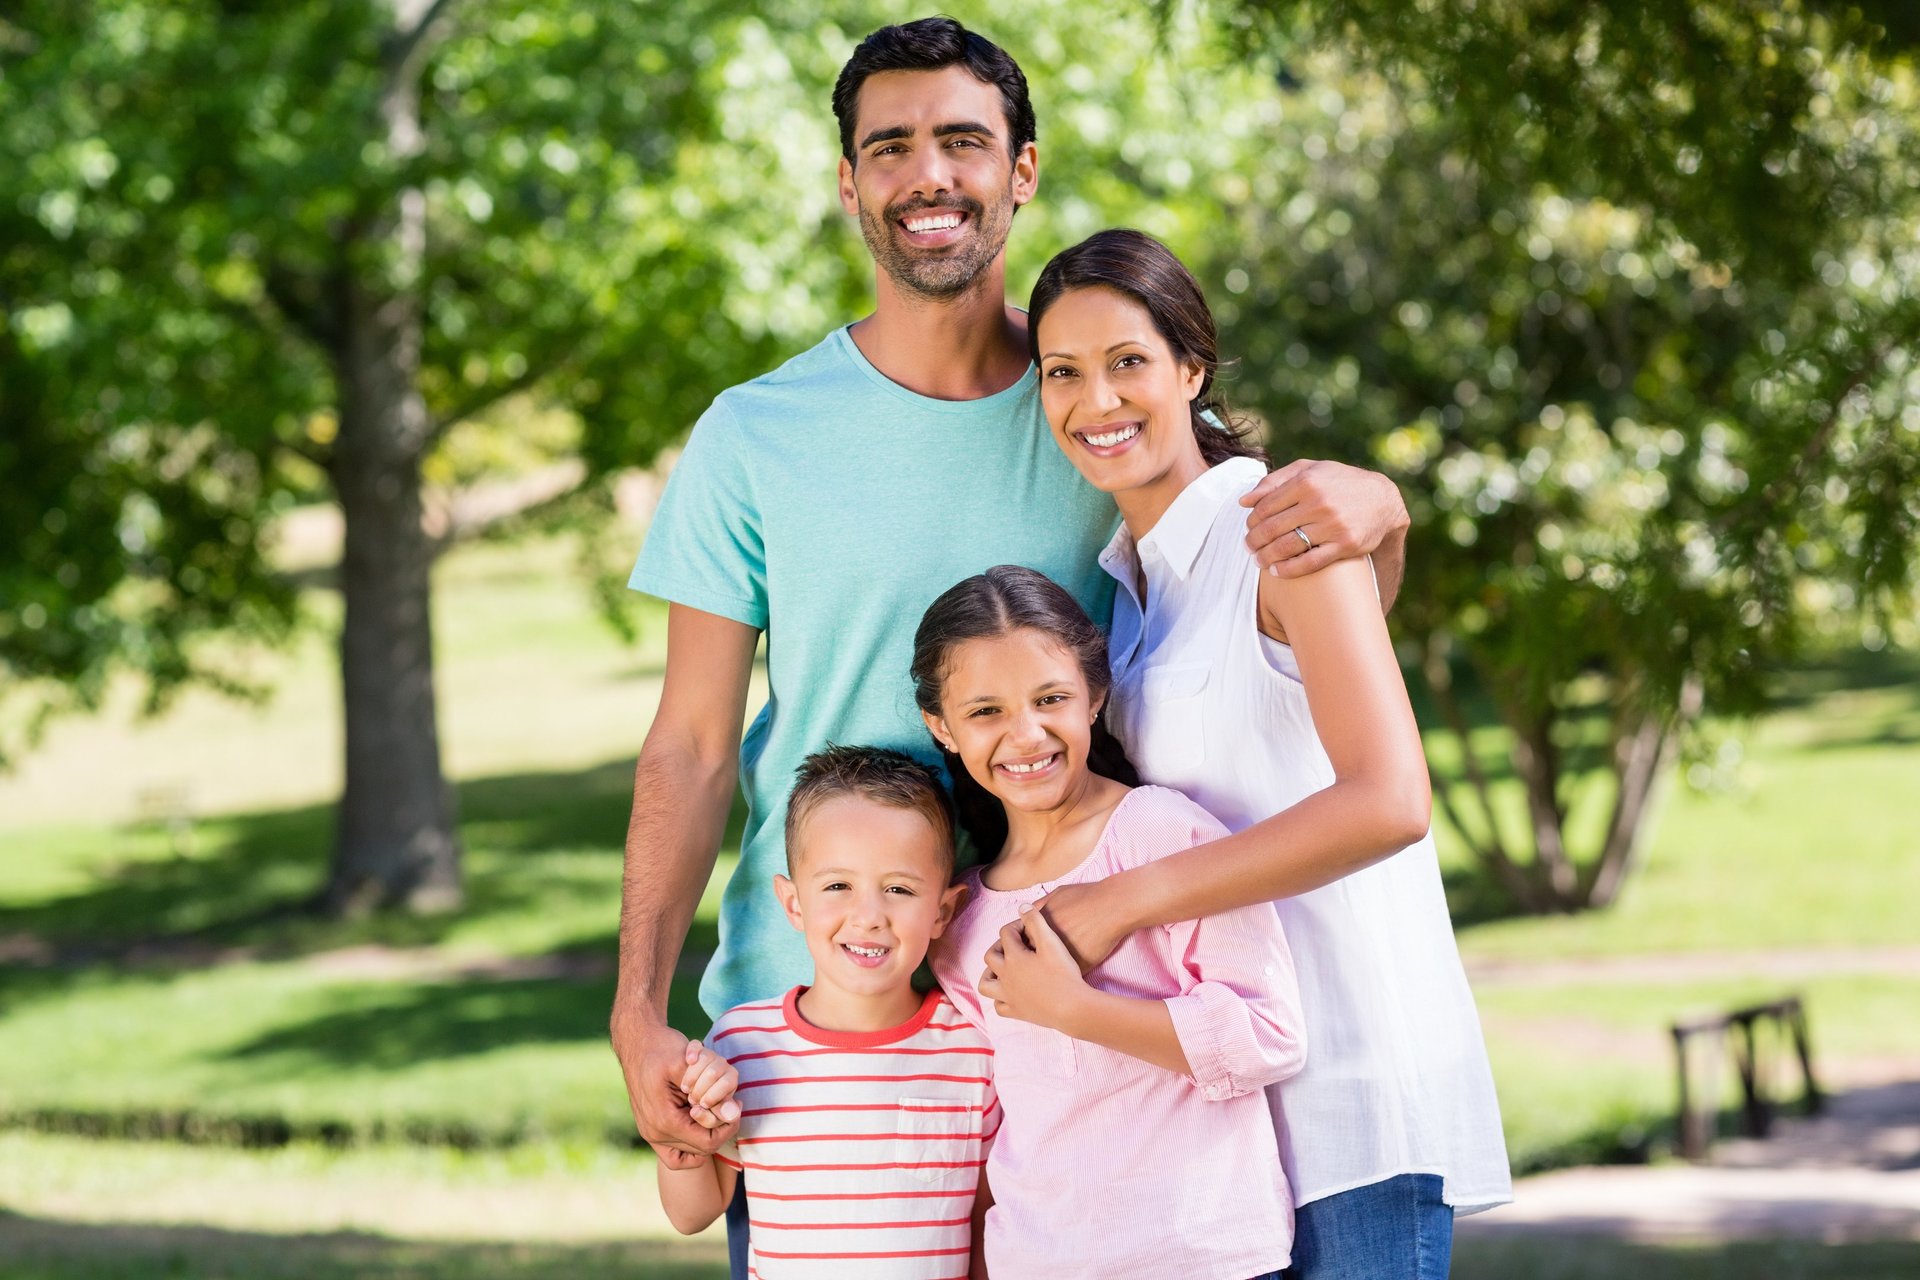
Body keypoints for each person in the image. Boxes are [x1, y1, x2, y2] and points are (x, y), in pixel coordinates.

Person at [609, 17, 1410, 1266]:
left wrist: (1381, 510)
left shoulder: (1096, 407)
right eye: (891, 147)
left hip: (1071, 1012)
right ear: (849, 181)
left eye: (964, 141)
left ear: (1021, 170)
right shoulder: (751, 435)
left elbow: (1265, 604)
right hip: (829, 1024)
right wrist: (635, 1008)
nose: (929, 175)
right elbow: (693, 744)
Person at [992, 228, 1509, 1279]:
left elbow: (1390, 799)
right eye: (1064, 373)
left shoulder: (1280, 531)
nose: (1098, 400)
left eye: (1129, 361)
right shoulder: (1127, 597)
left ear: (1191, 367)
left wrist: (1124, 901)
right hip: (1231, 1131)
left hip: (1358, 1102)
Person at [916, 565, 1306, 1280]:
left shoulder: (1156, 833)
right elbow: (991, 1121)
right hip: (1038, 1263)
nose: (1025, 734)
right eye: (985, 712)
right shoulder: (962, 916)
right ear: (940, 727)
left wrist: (1076, 1010)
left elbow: (1268, 1037)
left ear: (1094, 695)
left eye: (1051, 698)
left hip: (1201, 1256)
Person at [655, 745, 997, 1279]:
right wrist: (682, 1140)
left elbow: (985, 1224)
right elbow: (691, 1212)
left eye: (899, 889)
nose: (868, 917)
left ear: (943, 910)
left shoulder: (973, 1050)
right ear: (793, 904)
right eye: (838, 886)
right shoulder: (743, 1044)